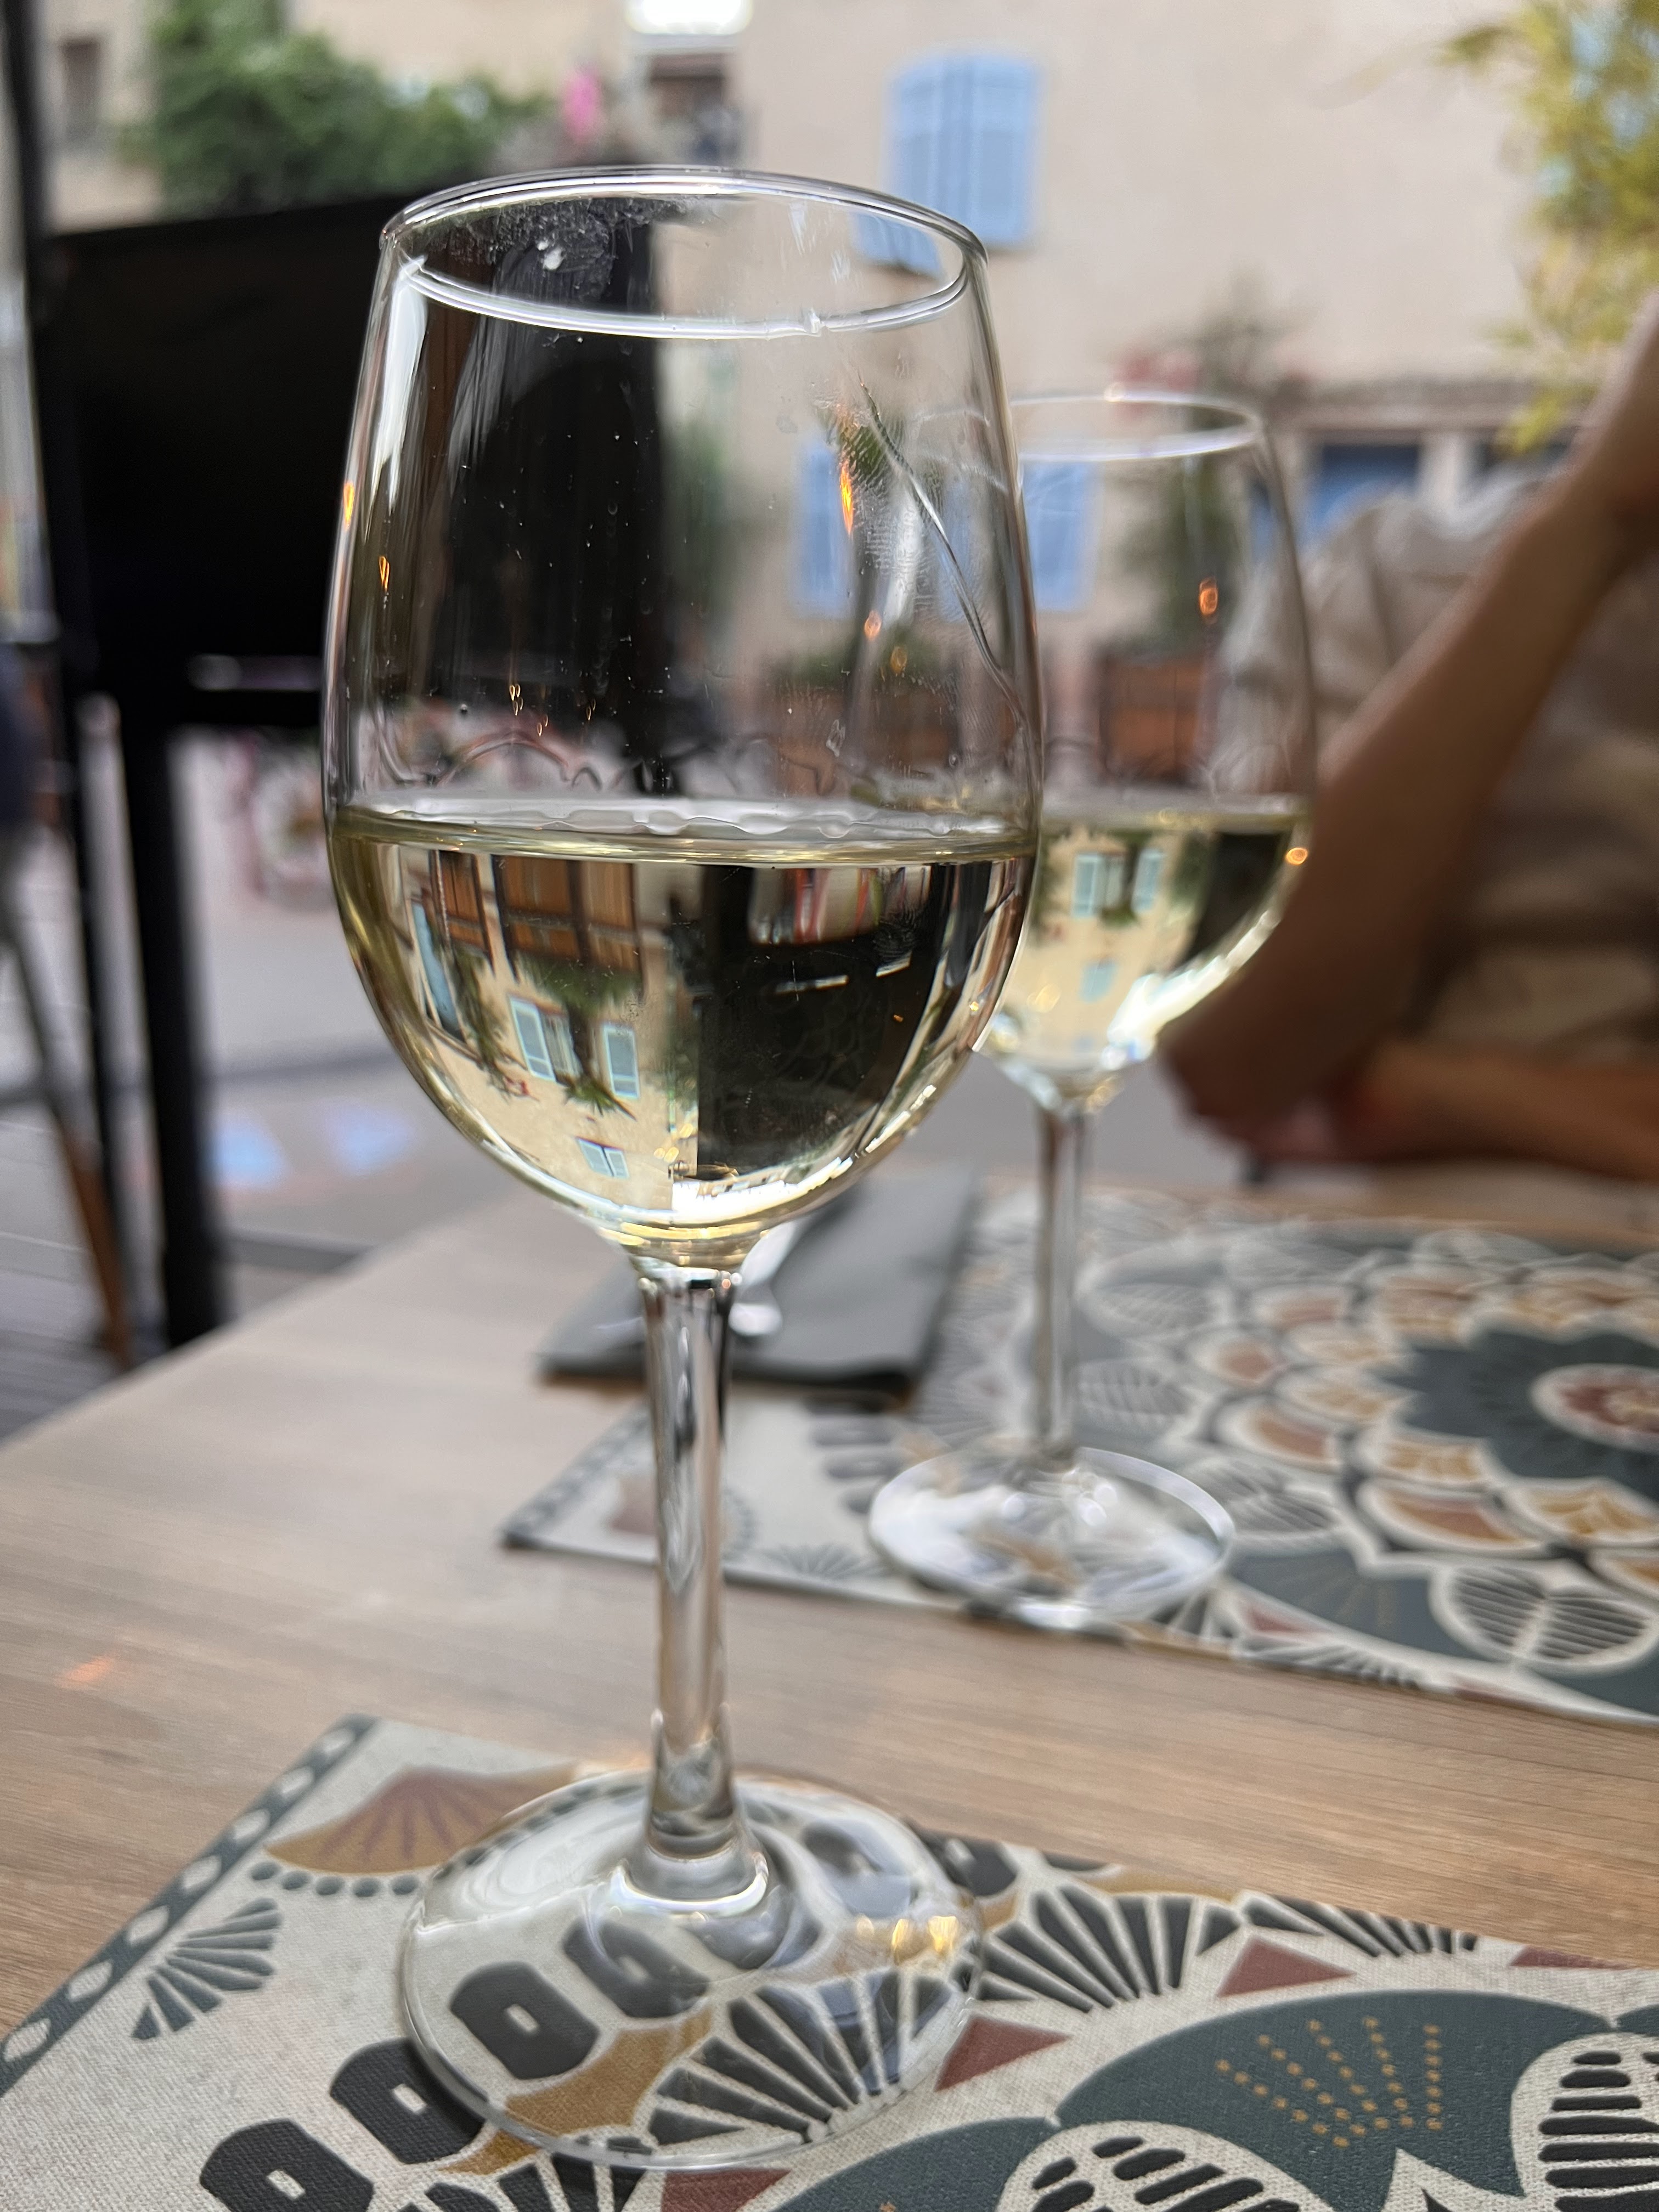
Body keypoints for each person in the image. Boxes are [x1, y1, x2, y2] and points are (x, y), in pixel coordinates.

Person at [1163, 296, 1659, 1183]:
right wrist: (1598, 515)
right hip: (1375, 1251)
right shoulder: (1389, 575)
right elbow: (1232, 1061)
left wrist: (1435, 1095)